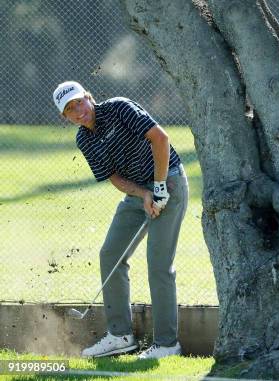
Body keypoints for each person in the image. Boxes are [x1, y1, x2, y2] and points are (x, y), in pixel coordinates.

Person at [52, 81, 188, 359]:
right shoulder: (84, 139)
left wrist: (159, 187)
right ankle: (120, 335)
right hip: (139, 192)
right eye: (69, 109)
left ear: (89, 97)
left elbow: (160, 139)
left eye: (79, 102)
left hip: (170, 181)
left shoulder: (119, 108)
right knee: (111, 254)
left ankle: (166, 344)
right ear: (64, 117)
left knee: (158, 264)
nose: (78, 111)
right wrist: (144, 194)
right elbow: (113, 177)